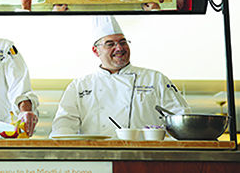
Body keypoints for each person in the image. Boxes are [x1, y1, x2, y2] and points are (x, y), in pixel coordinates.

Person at [50, 16, 190, 137]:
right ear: (95, 51)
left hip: (145, 157)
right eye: (110, 44)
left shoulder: (155, 79)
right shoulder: (79, 86)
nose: (119, 48)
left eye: (122, 42)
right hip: (97, 157)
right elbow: (64, 124)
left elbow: (182, 120)